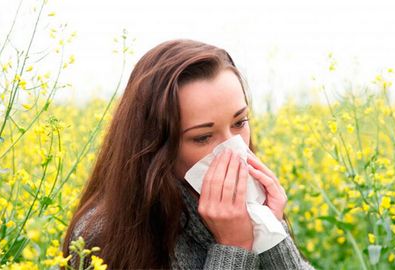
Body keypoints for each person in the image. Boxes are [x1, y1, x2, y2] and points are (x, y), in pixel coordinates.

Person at [61, 39, 315, 269]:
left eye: (240, 123)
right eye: (203, 137)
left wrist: (271, 235)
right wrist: (233, 249)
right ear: (156, 145)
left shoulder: (254, 211)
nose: (234, 149)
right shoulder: (101, 237)